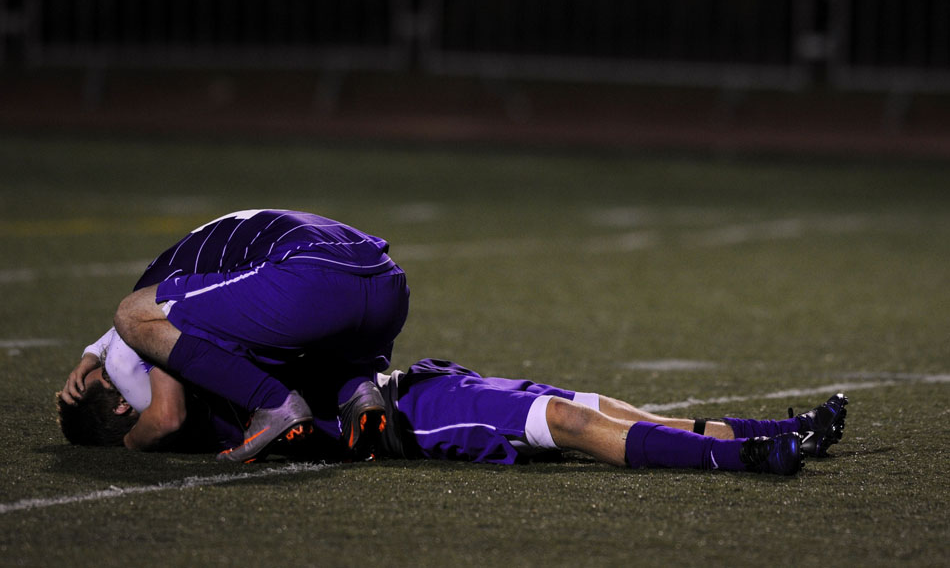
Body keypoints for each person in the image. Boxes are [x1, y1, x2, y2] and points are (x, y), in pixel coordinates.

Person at [58, 352, 849, 476]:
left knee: (587, 402)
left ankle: (773, 432)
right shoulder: (175, 417)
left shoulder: (199, 386)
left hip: (413, 381)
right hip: (408, 417)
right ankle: (742, 457)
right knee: (571, 424)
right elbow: (155, 416)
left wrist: (94, 369)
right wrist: (107, 360)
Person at [60, 209, 410, 463]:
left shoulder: (152, 302)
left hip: (308, 282)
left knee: (132, 315)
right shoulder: (175, 269)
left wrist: (128, 445)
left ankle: (272, 403)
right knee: (277, 339)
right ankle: (354, 390)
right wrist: (92, 355)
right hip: (387, 285)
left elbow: (165, 413)